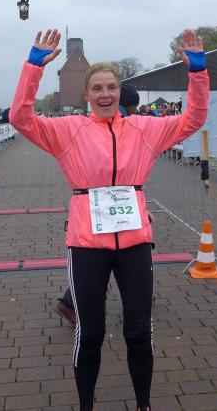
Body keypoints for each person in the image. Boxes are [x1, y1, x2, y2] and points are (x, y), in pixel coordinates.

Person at [10, 28, 209, 411]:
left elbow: (194, 118)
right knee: (91, 333)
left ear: (120, 92)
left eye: (112, 88)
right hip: (87, 245)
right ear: (86, 95)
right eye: (97, 88)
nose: (105, 94)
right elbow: (20, 118)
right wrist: (33, 67)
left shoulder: (145, 128)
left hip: (134, 241)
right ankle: (86, 405)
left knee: (139, 331)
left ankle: (144, 405)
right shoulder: (68, 130)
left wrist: (197, 72)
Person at [54, 82, 143, 325]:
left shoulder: (122, 122)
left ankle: (73, 302)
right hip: (108, 206)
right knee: (106, 259)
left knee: (101, 260)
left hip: (105, 205)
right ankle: (72, 303)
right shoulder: (121, 121)